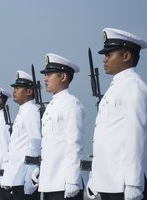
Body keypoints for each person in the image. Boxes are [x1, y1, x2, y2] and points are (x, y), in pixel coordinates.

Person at [87, 28, 147, 200]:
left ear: (126, 56)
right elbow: (105, 139)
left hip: (123, 182)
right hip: (109, 180)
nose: (104, 59)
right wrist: (94, 177)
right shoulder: (116, 88)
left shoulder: (133, 87)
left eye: (109, 54)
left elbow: (135, 137)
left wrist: (134, 183)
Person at [34, 53, 85, 200]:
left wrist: (72, 180)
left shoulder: (71, 104)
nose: (45, 78)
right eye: (45, 74)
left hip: (64, 182)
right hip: (50, 182)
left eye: (50, 74)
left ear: (63, 77)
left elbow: (74, 144)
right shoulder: (52, 106)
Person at [1, 70, 41, 200]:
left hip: (25, 176)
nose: (14, 91)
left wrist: (32, 173)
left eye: (18, 88)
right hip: (16, 176)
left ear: (29, 91)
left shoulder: (31, 111)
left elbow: (36, 143)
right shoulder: (23, 112)